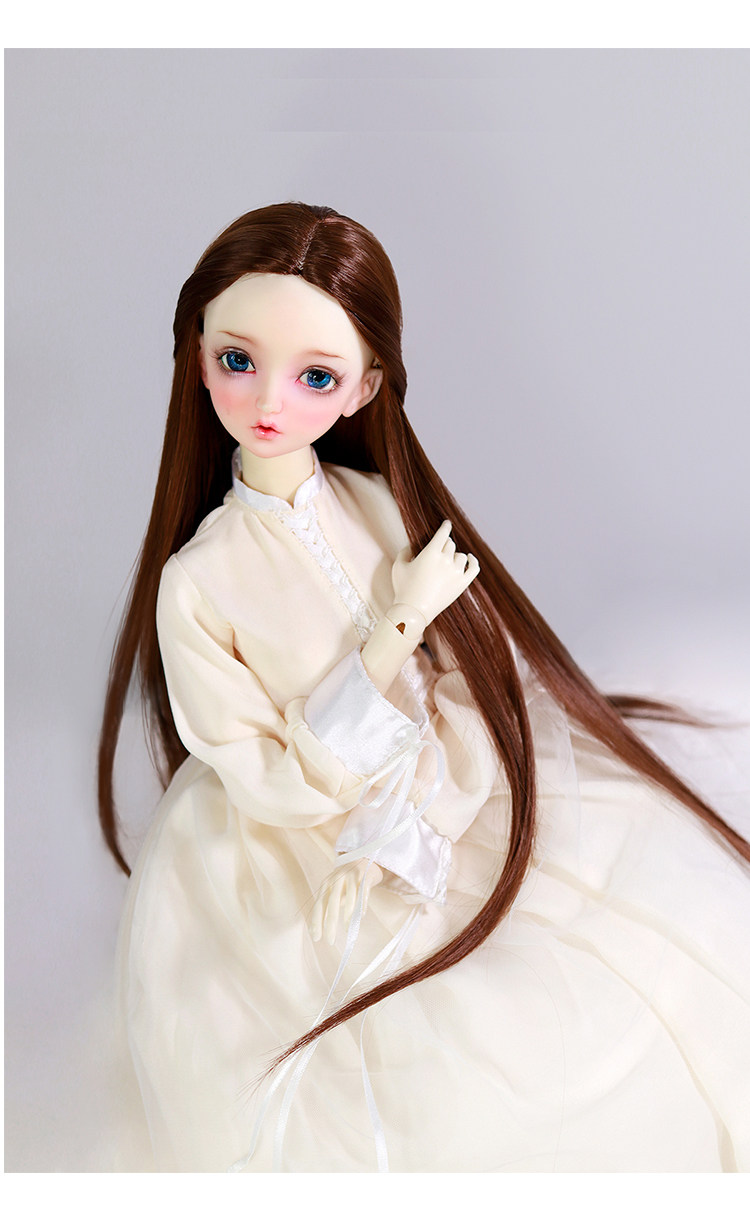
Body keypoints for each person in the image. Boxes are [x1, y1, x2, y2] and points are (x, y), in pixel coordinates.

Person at [100, 202, 750, 1172]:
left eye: (315, 376)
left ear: (365, 389)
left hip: (440, 781)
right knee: (425, 1079)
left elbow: (451, 674)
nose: (269, 399)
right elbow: (276, 779)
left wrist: (445, 745)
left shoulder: (371, 500)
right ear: (196, 357)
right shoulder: (199, 582)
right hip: (290, 844)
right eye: (237, 359)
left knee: (643, 943)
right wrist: (397, 625)